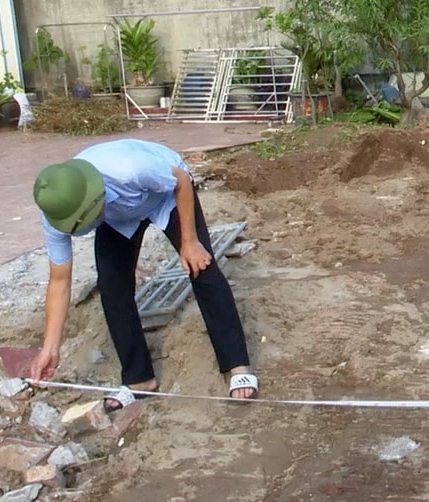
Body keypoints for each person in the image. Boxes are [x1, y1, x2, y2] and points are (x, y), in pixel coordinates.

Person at [30, 139, 258, 409]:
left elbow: (181, 180)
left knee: (201, 267)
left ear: (93, 199)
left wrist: (189, 242)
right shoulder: (56, 214)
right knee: (112, 287)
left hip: (166, 195)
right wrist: (50, 348)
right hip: (117, 214)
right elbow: (59, 281)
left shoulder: (131, 170)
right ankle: (139, 379)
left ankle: (237, 366)